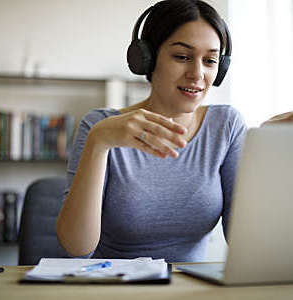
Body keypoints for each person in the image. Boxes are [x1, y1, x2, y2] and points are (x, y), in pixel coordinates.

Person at [56, 0, 247, 262]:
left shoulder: (226, 126)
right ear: (146, 58)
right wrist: (98, 143)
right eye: (182, 57)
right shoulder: (100, 126)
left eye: (210, 60)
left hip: (191, 290)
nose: (197, 73)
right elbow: (77, 248)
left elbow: (245, 240)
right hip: (114, 286)